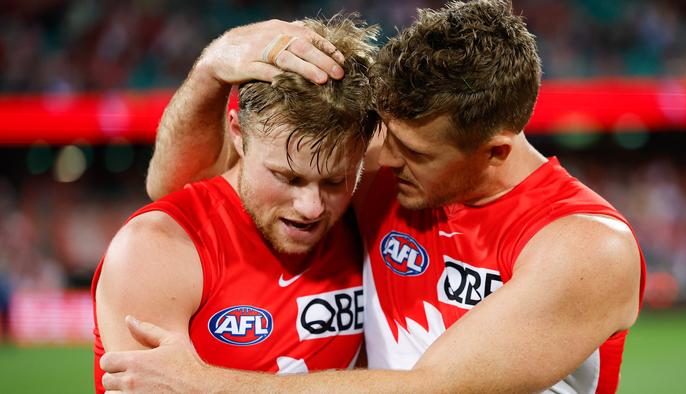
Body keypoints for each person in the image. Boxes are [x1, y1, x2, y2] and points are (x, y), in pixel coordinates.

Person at [101, 1, 646, 392]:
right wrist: (212, 69)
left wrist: (207, 385)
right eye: (386, 136)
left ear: (494, 151)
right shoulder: (389, 172)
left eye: (415, 152)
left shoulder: (587, 247)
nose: (383, 159)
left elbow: (433, 388)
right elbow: (182, 191)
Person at [92, 15, 379, 393]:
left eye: (334, 181)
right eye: (287, 177)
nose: (312, 207)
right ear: (238, 133)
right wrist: (211, 68)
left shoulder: (373, 211)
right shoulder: (156, 251)